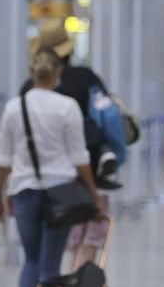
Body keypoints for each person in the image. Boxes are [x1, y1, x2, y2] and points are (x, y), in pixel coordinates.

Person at [0, 46, 106, 287]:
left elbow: (3, 159)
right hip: (60, 193)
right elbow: (80, 158)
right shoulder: (67, 106)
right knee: (50, 263)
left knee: (30, 259)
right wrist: (94, 197)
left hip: (24, 191)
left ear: (31, 73)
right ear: (57, 73)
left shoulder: (14, 108)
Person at [30, 22, 121, 189]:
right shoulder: (85, 76)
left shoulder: (30, 88)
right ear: (69, 49)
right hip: (86, 159)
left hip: (37, 168)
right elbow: (105, 109)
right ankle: (104, 155)